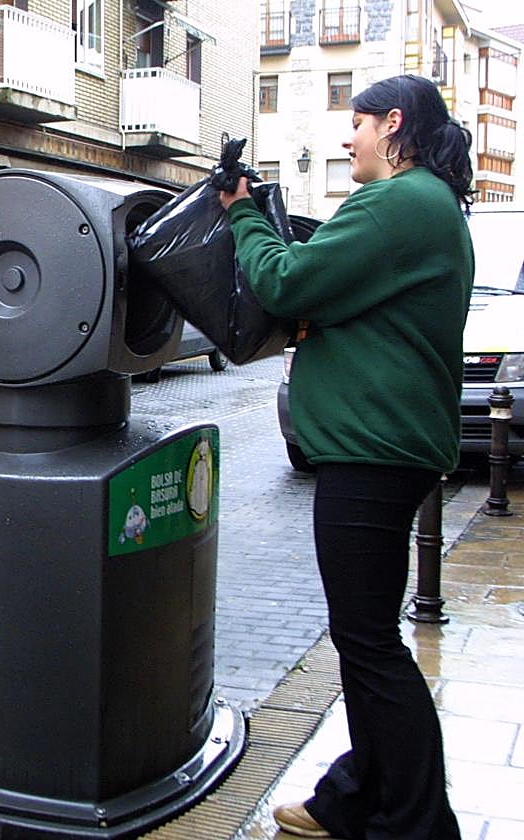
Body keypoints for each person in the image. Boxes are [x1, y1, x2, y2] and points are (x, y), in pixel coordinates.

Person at [220, 75, 473, 839]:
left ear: (394, 123)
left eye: (357, 123)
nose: (347, 138)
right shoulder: (430, 208)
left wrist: (240, 217)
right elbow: (347, 301)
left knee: (368, 643)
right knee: (364, 639)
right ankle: (355, 796)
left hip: (374, 452)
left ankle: (420, 823)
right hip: (390, 448)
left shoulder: (399, 203)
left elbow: (287, 279)